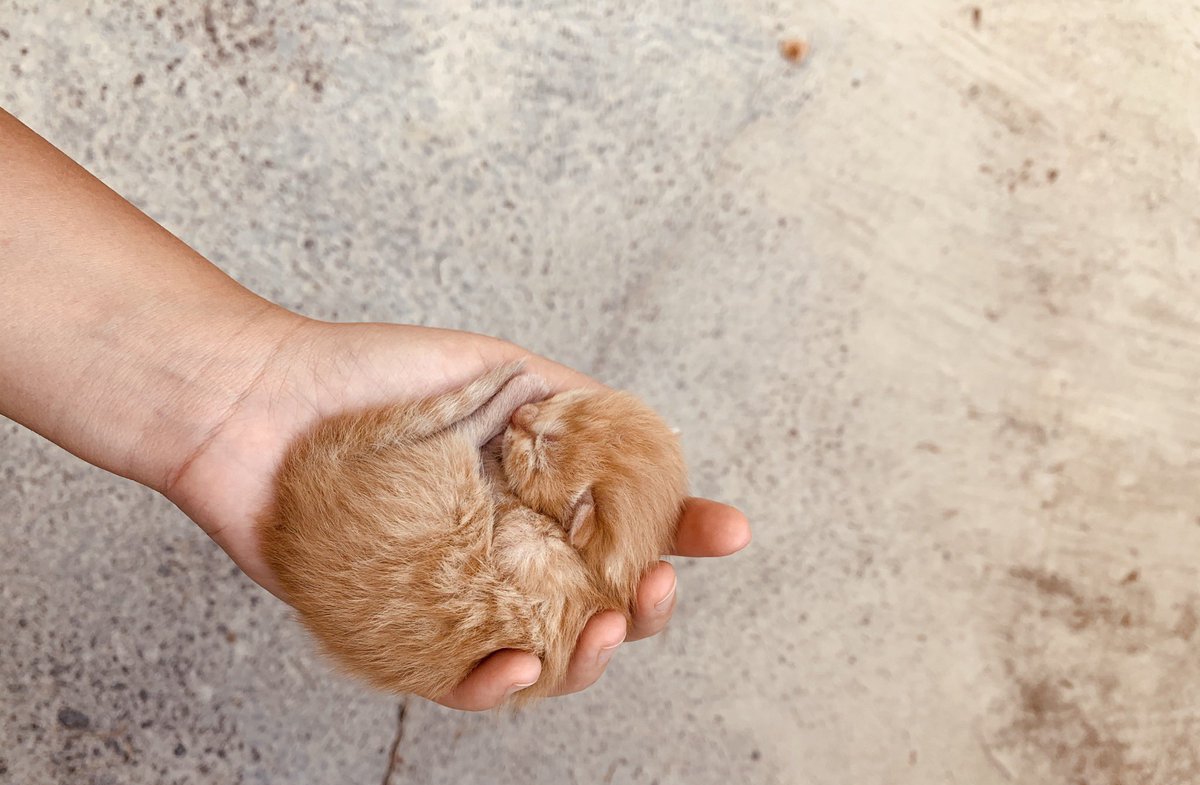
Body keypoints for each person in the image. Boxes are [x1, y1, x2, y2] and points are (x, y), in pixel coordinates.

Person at [0, 108, 751, 711]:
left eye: (543, 445)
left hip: (400, 538)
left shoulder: (542, 546)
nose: (522, 422)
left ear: (581, 518)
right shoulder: (562, 541)